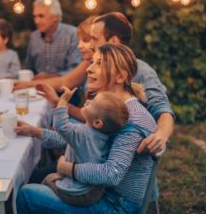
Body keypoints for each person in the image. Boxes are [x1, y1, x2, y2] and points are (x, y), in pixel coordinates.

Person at [15, 43, 158, 214]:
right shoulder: (111, 108)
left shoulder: (130, 118)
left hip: (116, 205)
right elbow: (82, 138)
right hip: (97, 191)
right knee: (36, 182)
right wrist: (34, 132)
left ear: (120, 77)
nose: (89, 69)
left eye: (99, 64)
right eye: (92, 62)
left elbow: (112, 174)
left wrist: (69, 169)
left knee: (26, 195)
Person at [18, 13, 175, 160]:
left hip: (112, 160)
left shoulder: (141, 71)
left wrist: (161, 135)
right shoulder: (94, 64)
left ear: (113, 41)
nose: (90, 44)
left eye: (93, 39)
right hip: (97, 149)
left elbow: (162, 108)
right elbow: (93, 126)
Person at [41, 86, 129, 207]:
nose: (87, 101)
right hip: (93, 191)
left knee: (46, 179)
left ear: (98, 123)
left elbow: (60, 126)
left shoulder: (81, 132)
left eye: (93, 104)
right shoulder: (104, 137)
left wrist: (62, 101)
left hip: (76, 193)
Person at [24, 0, 82, 79]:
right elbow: (28, 68)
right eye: (34, 16)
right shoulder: (34, 36)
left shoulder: (72, 35)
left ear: (56, 17)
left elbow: (76, 70)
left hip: (65, 90)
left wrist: (49, 77)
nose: (36, 21)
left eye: (41, 16)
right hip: (37, 89)